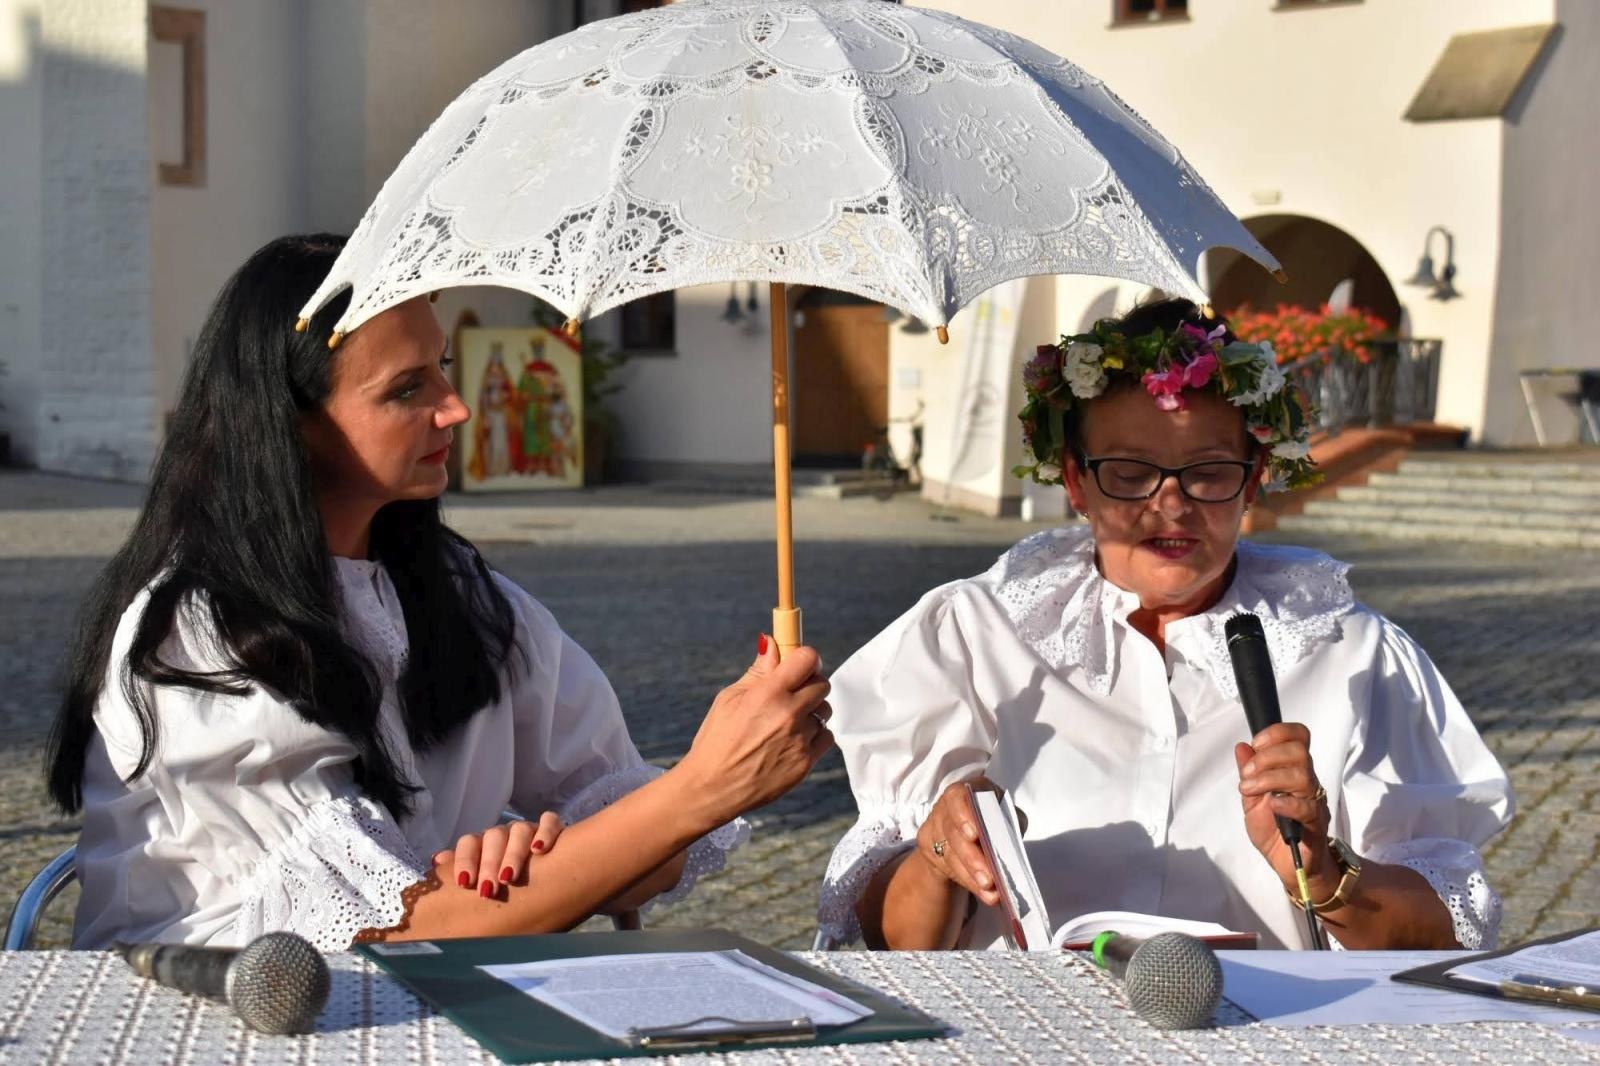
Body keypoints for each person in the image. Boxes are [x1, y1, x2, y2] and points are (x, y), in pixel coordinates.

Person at [47, 234, 834, 951]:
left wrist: (538, 857)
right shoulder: (201, 632)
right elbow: (380, 930)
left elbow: (630, 852)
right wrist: (698, 790)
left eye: (445, 371)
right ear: (290, 426)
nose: (455, 408)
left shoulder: (460, 594)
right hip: (217, 1018)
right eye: (406, 389)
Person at [816, 298, 1512, 953]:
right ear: (1075, 480)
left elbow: (1444, 931)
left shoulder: (1352, 655)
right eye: (1128, 471)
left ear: (1254, 475)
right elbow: (894, 944)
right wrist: (940, 857)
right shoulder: (972, 636)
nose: (1170, 505)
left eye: (1207, 472)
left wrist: (1327, 877)